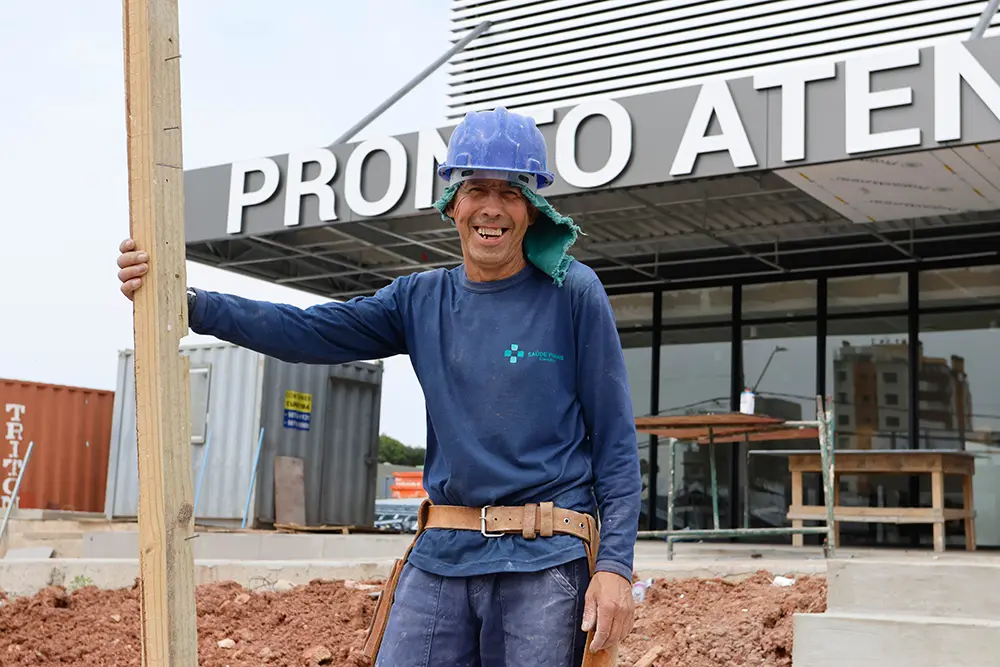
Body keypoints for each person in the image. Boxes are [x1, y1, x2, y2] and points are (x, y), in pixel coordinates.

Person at [117, 106, 642, 667]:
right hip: (443, 553)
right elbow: (309, 331)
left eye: (510, 192)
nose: (492, 207)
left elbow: (615, 440)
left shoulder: (571, 292)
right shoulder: (420, 300)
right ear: (453, 203)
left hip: (546, 557)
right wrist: (188, 303)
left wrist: (614, 566)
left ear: (532, 209)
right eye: (476, 189)